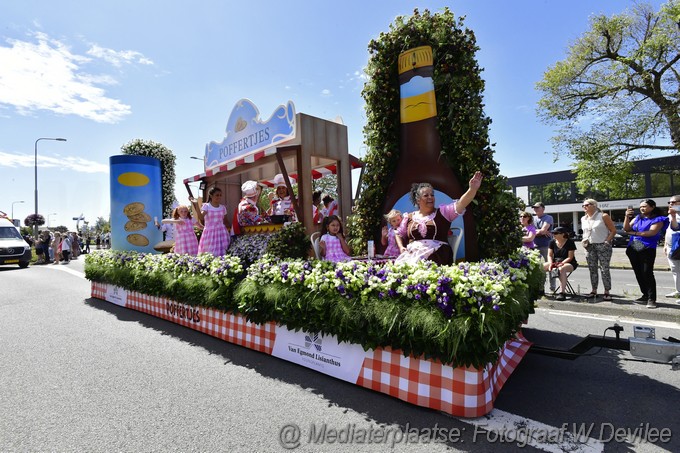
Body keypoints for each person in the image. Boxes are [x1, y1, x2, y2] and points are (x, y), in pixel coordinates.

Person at [394, 171, 482, 266]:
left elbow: (461, 203)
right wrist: (401, 247)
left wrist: (472, 189)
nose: (430, 197)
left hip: (436, 254)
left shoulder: (444, 212)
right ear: (418, 199)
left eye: (432, 195)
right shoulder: (409, 217)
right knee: (398, 269)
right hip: (412, 255)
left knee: (420, 267)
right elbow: (399, 233)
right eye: (426, 195)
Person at [624, 199, 667, 309]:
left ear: (652, 207)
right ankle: (645, 294)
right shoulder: (638, 217)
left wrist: (633, 233)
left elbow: (651, 233)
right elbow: (626, 228)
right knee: (638, 272)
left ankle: (651, 298)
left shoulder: (658, 219)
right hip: (634, 246)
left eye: (645, 206)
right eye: (641, 207)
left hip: (647, 248)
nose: (642, 208)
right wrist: (627, 217)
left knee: (647, 272)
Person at [580, 199, 617, 301]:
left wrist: (607, 241)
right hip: (589, 246)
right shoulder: (583, 218)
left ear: (594, 205)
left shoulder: (603, 216)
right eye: (583, 206)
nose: (584, 207)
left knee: (604, 269)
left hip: (602, 245)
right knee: (592, 269)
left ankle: (607, 291)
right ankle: (594, 290)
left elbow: (613, 230)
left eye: (587, 205)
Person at [191, 186, 230, 256]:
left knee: (223, 251)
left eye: (220, 195)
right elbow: (201, 217)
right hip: (210, 233)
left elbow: (226, 221)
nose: (219, 197)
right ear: (211, 196)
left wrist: (232, 231)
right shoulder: (207, 206)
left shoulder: (223, 208)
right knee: (210, 252)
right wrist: (196, 204)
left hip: (221, 232)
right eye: (217, 195)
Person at [543, 226, 578, 301]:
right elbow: (549, 255)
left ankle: (562, 293)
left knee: (562, 269)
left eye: (555, 233)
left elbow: (570, 257)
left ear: (562, 234)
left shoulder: (570, 242)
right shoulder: (552, 242)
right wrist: (550, 263)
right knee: (541, 267)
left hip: (568, 262)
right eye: (552, 233)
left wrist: (561, 263)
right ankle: (540, 289)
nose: (553, 235)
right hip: (555, 261)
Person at [532, 202, 555, 292]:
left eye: (538, 207)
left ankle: (553, 287)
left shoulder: (548, 218)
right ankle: (540, 288)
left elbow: (543, 230)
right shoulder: (533, 218)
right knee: (538, 268)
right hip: (534, 246)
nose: (535, 209)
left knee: (549, 265)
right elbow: (527, 230)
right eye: (534, 208)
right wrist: (539, 231)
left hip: (546, 245)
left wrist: (537, 232)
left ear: (543, 208)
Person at [664, 195, 680, 304]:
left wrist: (673, 216)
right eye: (669, 202)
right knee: (675, 270)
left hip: (678, 246)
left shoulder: (674, 215)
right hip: (671, 247)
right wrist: (665, 244)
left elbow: (676, 227)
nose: (670, 204)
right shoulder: (671, 215)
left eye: (673, 202)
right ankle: (678, 291)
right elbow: (668, 231)